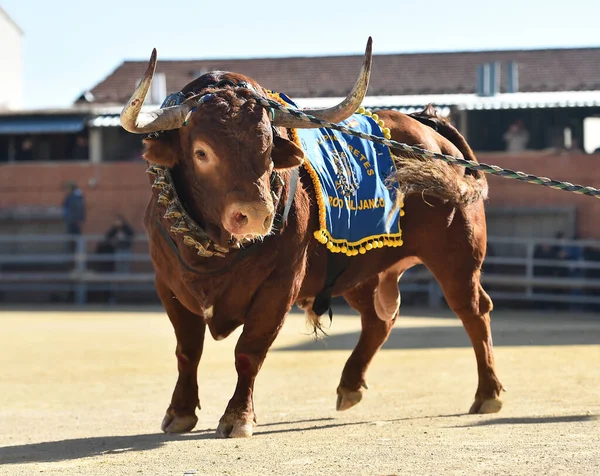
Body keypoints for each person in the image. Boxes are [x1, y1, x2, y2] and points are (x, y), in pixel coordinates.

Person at [62, 182, 86, 254]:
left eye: (67, 188)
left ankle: (74, 253)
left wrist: (70, 217)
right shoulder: (74, 197)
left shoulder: (75, 197)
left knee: (74, 237)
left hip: (73, 220)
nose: (66, 190)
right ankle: (74, 252)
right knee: (73, 237)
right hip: (72, 220)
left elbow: (77, 209)